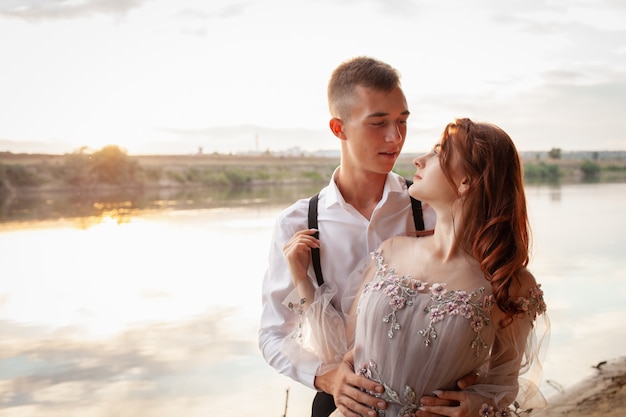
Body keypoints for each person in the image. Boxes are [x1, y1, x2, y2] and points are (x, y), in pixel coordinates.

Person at [282, 118, 549, 417]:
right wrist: (301, 278)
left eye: (438, 152)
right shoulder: (390, 251)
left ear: (465, 182)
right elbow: (341, 347)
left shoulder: (510, 283)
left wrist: (476, 404)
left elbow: (504, 381)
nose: (419, 160)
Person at [258, 57, 476, 417]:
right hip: (344, 403)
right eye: (378, 124)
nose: (395, 138)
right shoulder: (297, 223)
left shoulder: (435, 209)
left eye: (402, 122)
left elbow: (485, 304)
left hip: (432, 405)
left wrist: (479, 389)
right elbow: (273, 335)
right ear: (338, 128)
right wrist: (327, 377)